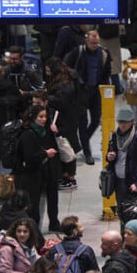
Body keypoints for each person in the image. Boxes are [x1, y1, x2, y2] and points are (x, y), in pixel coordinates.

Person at [64, 30, 114, 164]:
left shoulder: (103, 53)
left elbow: (107, 72)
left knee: (96, 120)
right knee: (82, 122)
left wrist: (106, 88)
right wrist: (76, 78)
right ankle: (87, 152)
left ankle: (83, 140)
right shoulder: (78, 51)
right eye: (92, 42)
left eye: (96, 43)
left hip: (96, 91)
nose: (94, 45)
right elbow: (66, 66)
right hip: (81, 92)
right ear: (86, 40)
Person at [14, 104, 60, 231]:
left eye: (45, 116)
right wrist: (46, 153)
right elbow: (30, 157)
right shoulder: (28, 134)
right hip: (28, 175)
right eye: (40, 117)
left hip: (41, 173)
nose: (43, 119)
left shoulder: (43, 130)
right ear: (33, 117)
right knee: (32, 206)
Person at [44, 57, 82, 191]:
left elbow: (61, 101)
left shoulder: (63, 82)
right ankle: (67, 177)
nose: (46, 71)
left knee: (66, 149)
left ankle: (69, 178)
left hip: (64, 119)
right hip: (69, 117)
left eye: (48, 69)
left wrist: (47, 98)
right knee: (66, 148)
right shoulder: (68, 77)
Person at [104, 106, 137, 204]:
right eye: (120, 122)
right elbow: (108, 157)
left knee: (133, 212)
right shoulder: (114, 137)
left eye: (125, 122)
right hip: (118, 182)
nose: (122, 125)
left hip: (133, 184)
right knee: (121, 211)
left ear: (132, 122)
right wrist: (109, 157)